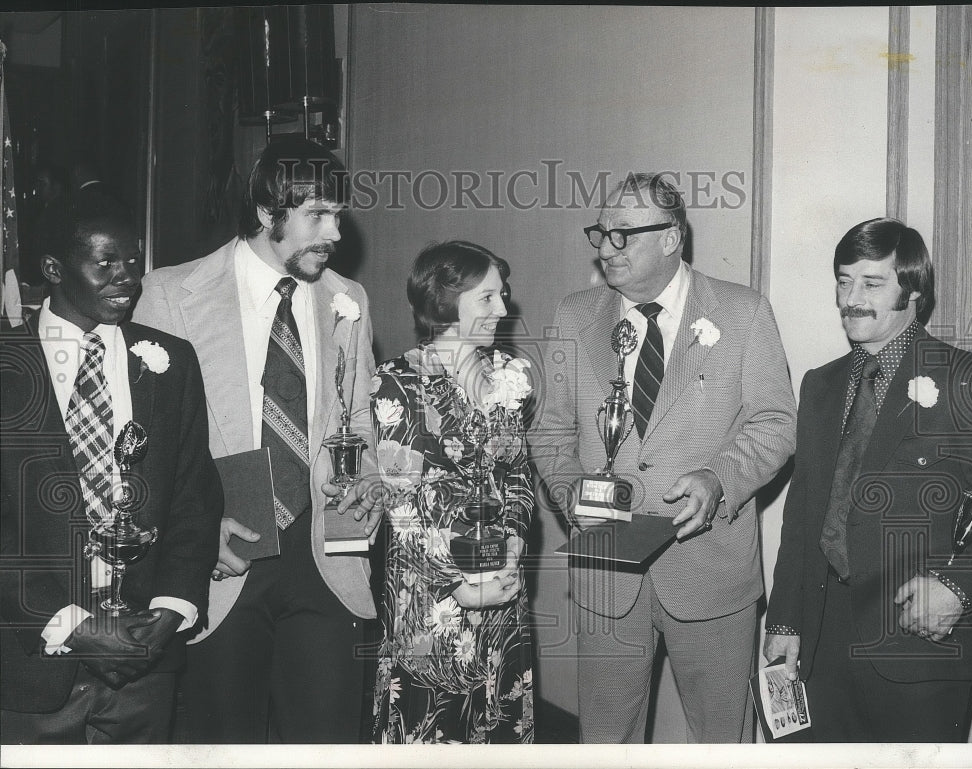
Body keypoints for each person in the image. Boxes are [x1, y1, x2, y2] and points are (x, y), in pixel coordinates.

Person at [131, 136, 382, 743]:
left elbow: (361, 421)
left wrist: (370, 480)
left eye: (338, 216)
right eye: (317, 215)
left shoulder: (349, 300)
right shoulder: (172, 292)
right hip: (224, 557)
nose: (335, 233)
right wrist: (192, 528)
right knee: (222, 744)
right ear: (270, 213)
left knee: (326, 742)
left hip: (325, 556)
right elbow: (145, 445)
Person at [530, 173, 796, 743]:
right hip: (606, 572)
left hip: (710, 572)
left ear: (672, 238)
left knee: (721, 739)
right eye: (601, 233)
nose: (605, 247)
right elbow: (549, 432)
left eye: (623, 234)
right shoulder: (575, 316)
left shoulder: (743, 312)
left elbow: (775, 423)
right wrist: (572, 493)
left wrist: (720, 478)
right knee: (605, 739)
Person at [764, 218, 972, 742]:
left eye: (872, 284)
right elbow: (802, 519)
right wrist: (784, 622)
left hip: (919, 644)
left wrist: (961, 590)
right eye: (844, 282)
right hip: (822, 644)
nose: (851, 298)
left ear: (912, 290)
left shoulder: (971, 381)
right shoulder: (821, 385)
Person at [0, 198, 222, 743]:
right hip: (30, 669)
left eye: (133, 261)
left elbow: (195, 499)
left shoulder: (171, 362)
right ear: (53, 269)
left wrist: (172, 609)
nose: (126, 277)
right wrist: (72, 626)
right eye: (105, 262)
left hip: (144, 671)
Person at [370, 240, 534, 744]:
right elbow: (403, 505)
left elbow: (518, 476)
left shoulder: (507, 377)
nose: (502, 309)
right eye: (486, 298)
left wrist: (514, 544)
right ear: (443, 302)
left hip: (500, 587)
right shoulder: (396, 383)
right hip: (433, 596)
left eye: (501, 295)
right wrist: (457, 585)